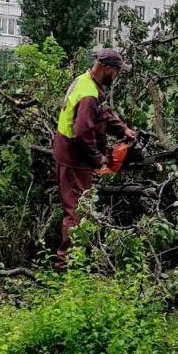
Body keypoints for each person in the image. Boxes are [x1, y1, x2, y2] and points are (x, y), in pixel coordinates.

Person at [53, 49, 136, 267]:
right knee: (77, 209)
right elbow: (82, 133)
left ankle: (77, 256)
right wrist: (99, 158)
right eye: (117, 71)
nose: (117, 76)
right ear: (107, 68)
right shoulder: (88, 95)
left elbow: (103, 114)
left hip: (73, 153)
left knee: (82, 206)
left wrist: (123, 130)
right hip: (73, 156)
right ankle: (66, 264)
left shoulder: (87, 81)